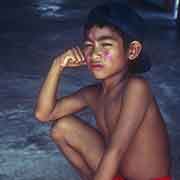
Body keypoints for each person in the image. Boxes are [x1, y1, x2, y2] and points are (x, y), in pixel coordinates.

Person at [34, 2, 171, 180]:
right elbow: (44, 114)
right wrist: (57, 65)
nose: (95, 53)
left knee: (111, 151)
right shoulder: (93, 94)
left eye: (106, 44)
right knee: (62, 128)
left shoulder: (137, 88)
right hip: (117, 175)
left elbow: (116, 150)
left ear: (132, 50)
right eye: (89, 45)